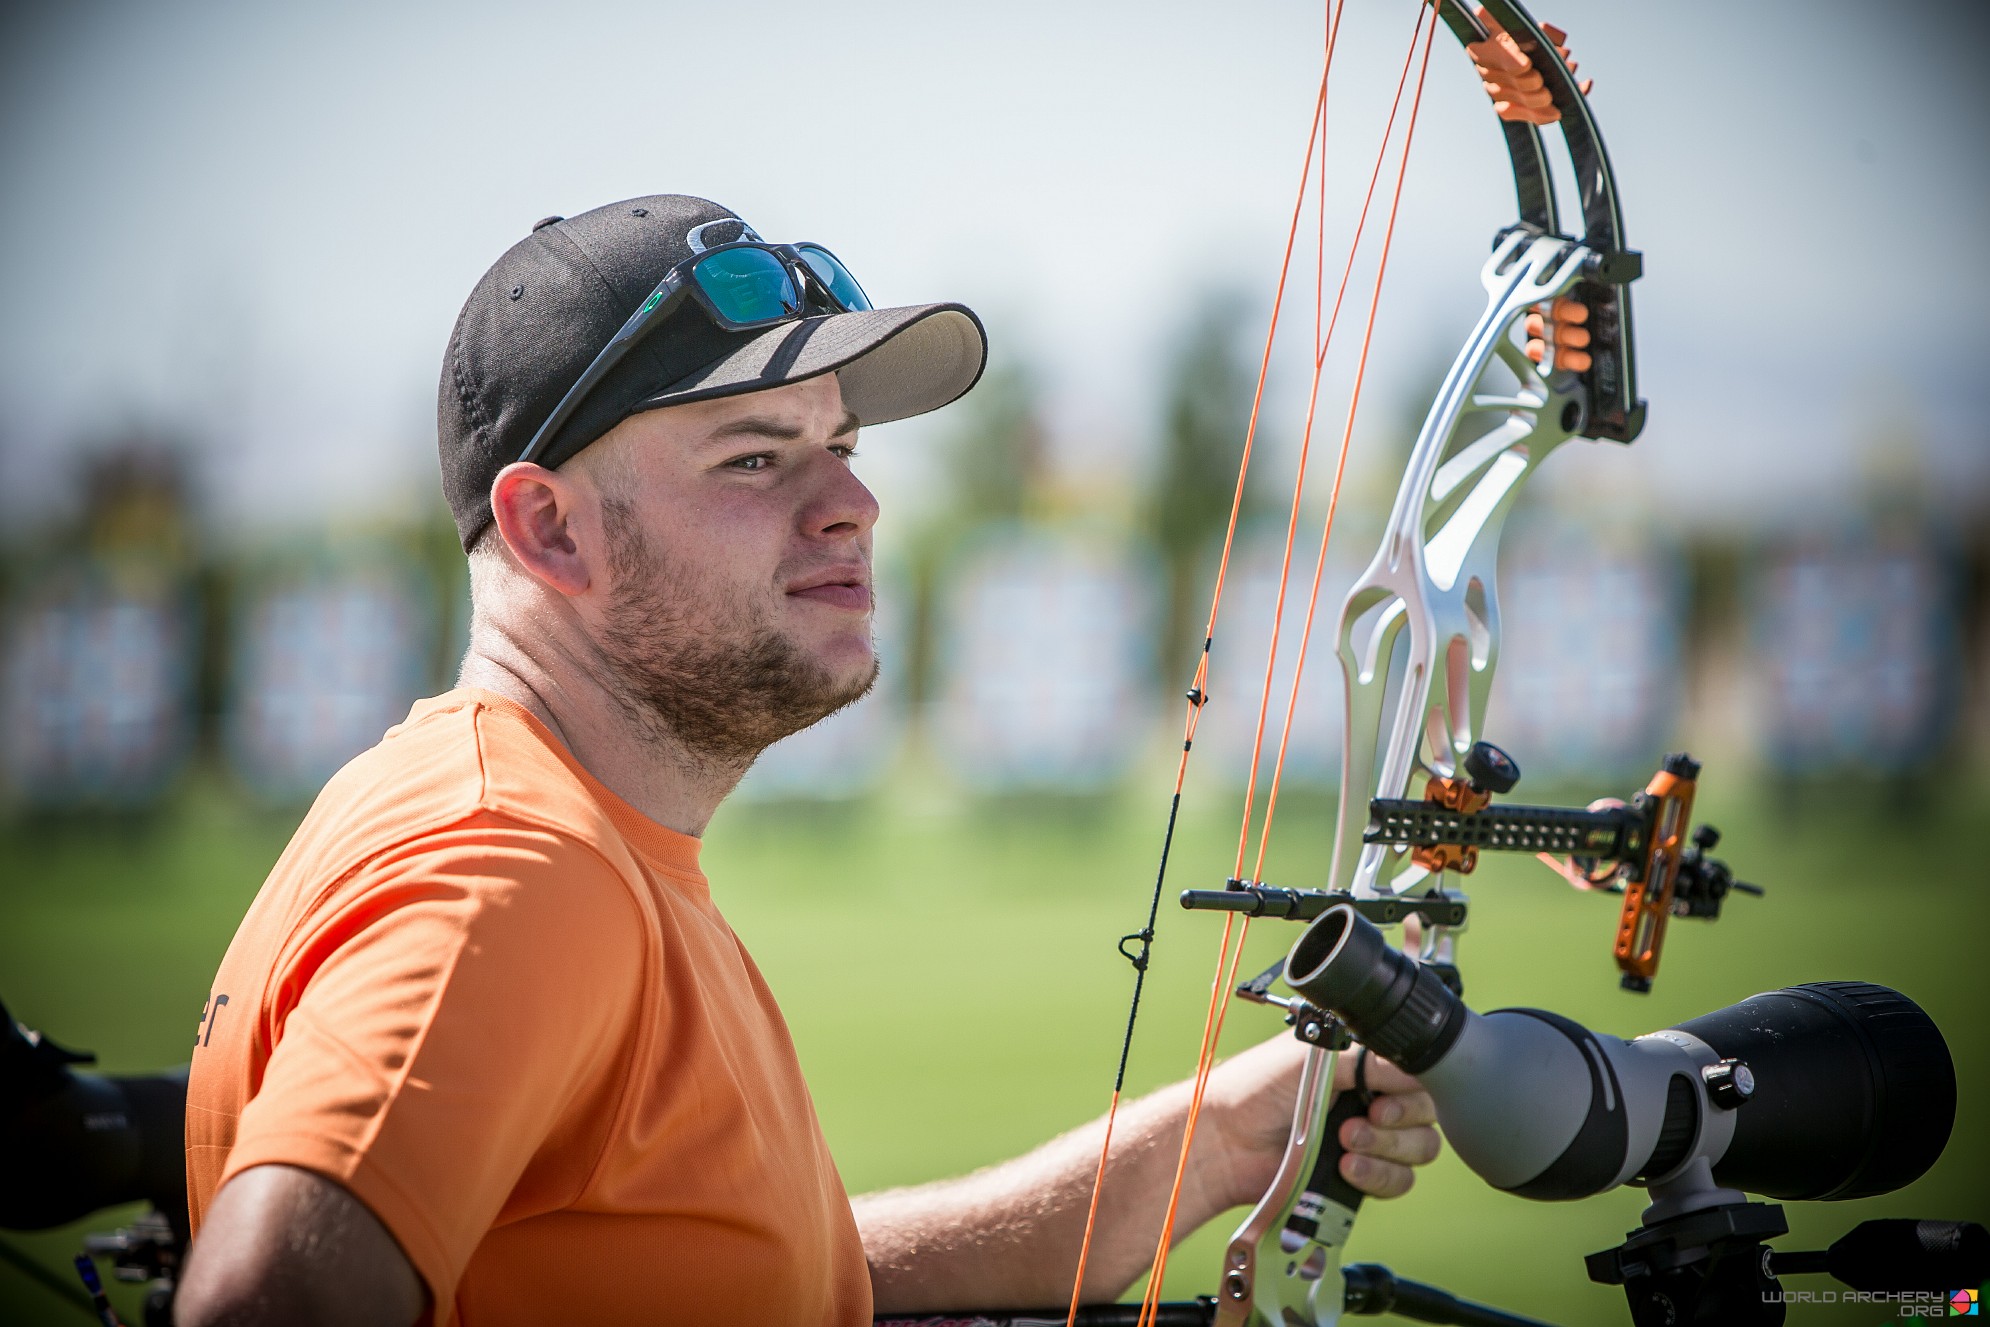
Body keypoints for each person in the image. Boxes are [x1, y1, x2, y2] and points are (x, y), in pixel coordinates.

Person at [173, 194, 1441, 1327]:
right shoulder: (510, 870)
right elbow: (260, 1301)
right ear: (549, 528)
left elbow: (751, 1286)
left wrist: (1207, 1143)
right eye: (754, 457)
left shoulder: (573, 839)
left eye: (841, 446)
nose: (852, 502)